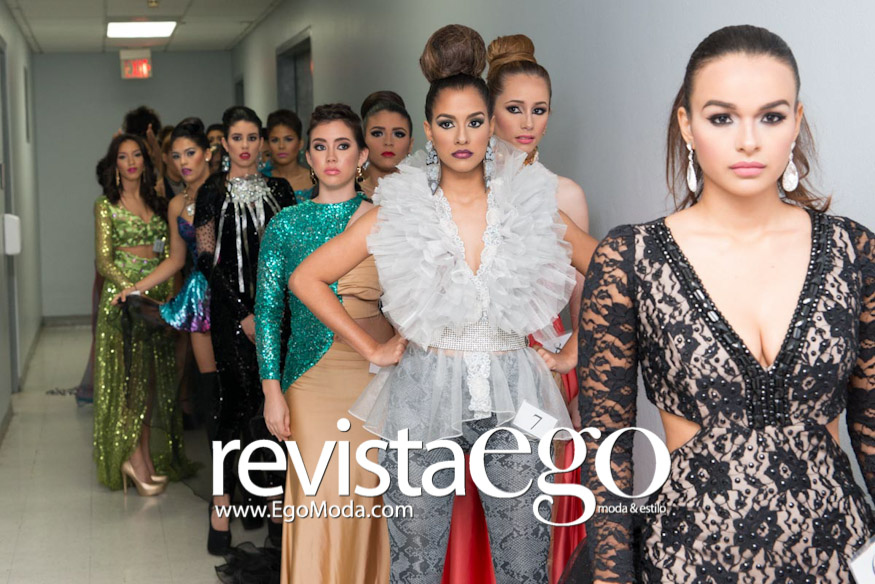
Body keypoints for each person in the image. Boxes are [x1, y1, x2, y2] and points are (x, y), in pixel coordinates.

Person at [289, 24, 598, 583]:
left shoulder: (530, 204)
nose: (462, 136)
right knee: (415, 566)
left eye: (475, 121)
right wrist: (372, 349)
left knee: (524, 566)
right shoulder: (399, 209)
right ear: (429, 129)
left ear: (492, 128)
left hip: (515, 392)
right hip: (420, 393)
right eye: (448, 123)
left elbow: (611, 270)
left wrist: (573, 349)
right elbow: (307, 278)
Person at [572, 24, 875, 583]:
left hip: (837, 557)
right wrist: (612, 577)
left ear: (796, 122)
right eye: (722, 118)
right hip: (689, 560)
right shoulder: (631, 258)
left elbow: (871, 426)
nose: (749, 141)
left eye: (771, 116)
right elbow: (606, 450)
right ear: (687, 124)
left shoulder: (852, 251)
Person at [257, 102, 390, 584]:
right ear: (308, 158)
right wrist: (272, 392)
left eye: (342, 145)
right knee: (317, 499)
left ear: (361, 156)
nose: (331, 157)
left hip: (375, 377)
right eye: (320, 146)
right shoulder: (285, 225)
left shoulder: (388, 219)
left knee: (368, 499)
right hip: (310, 381)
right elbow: (268, 314)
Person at [194, 105, 297, 555]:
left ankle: (274, 506)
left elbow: (293, 252)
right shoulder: (211, 192)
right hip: (231, 318)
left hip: (278, 315)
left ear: (262, 142)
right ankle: (221, 506)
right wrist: (242, 314)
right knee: (233, 409)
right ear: (225, 143)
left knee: (272, 413)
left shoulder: (280, 189)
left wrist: (270, 312)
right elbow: (205, 260)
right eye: (237, 138)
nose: (246, 146)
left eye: (253, 137)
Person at [92, 134, 191, 495]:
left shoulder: (157, 201)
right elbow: (103, 260)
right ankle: (133, 460)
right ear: (115, 164)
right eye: (123, 156)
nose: (131, 162)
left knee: (150, 383)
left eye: (137, 155)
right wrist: (131, 290)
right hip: (124, 302)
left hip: (156, 299)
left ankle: (145, 458)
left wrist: (162, 292)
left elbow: (171, 255)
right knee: (129, 383)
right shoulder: (106, 205)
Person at [112, 118, 217, 429]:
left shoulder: (225, 192)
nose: (183, 162)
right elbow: (174, 260)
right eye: (176, 155)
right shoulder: (176, 205)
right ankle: (220, 457)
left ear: (207, 153)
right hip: (200, 299)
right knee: (210, 389)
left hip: (233, 296)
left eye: (190, 153)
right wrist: (135, 288)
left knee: (241, 384)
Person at [359, 91, 414, 198]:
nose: (388, 142)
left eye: (398, 134)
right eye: (377, 133)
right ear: (363, 141)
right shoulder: (346, 195)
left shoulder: (426, 195)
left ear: (410, 144)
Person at [266, 109, 314, 202]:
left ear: (300, 143)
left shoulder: (316, 180)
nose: (281, 146)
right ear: (268, 145)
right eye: (275, 140)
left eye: (288, 139)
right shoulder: (262, 179)